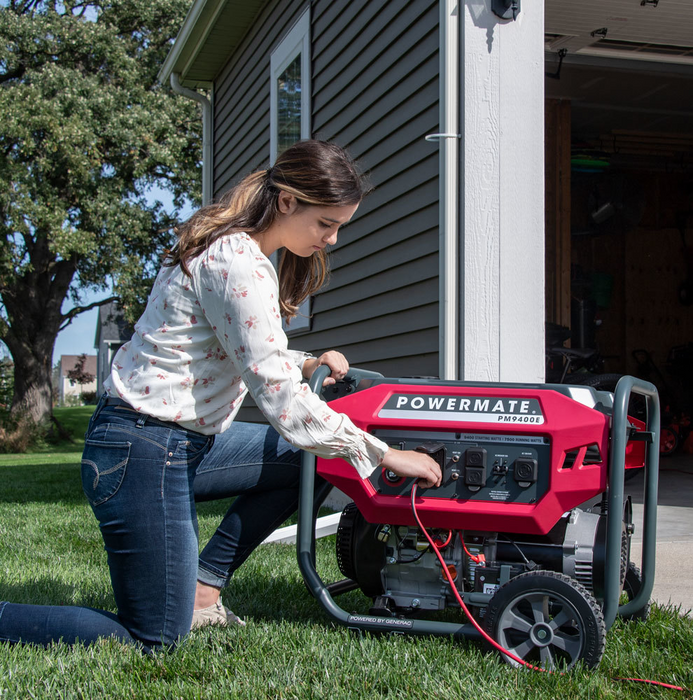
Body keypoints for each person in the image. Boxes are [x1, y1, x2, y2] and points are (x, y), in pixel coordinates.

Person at [0, 140, 442, 650]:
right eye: (326, 223)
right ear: (288, 202)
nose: (333, 238)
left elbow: (229, 341)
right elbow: (286, 407)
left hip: (175, 443)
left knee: (310, 463)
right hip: (140, 450)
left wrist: (305, 361)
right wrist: (385, 453)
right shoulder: (237, 264)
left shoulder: (235, 248)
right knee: (153, 637)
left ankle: (203, 589)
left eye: (340, 225)